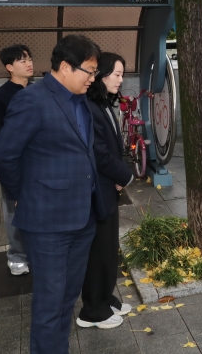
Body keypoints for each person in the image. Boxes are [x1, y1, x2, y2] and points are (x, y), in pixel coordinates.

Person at [0, 35, 105, 354]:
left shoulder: (80, 98)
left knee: (68, 298)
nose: (93, 78)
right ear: (66, 67)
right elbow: (4, 154)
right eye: (90, 70)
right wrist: (19, 195)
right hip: (47, 223)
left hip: (82, 218)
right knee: (50, 303)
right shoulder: (33, 99)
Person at [77, 53, 135, 329]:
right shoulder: (88, 106)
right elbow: (98, 152)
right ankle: (92, 311)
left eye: (122, 74)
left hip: (107, 189)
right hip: (96, 191)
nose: (121, 79)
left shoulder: (102, 103)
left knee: (109, 248)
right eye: (117, 74)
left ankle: (105, 298)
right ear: (101, 75)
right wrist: (125, 175)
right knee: (98, 251)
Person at [0, 44, 34, 276]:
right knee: (14, 207)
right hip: (14, 161)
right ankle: (17, 256)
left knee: (39, 207)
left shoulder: (39, 91)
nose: (29, 63)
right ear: (9, 67)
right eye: (22, 61)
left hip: (39, 159)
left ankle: (36, 251)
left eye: (30, 58)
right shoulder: (0, 97)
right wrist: (17, 131)